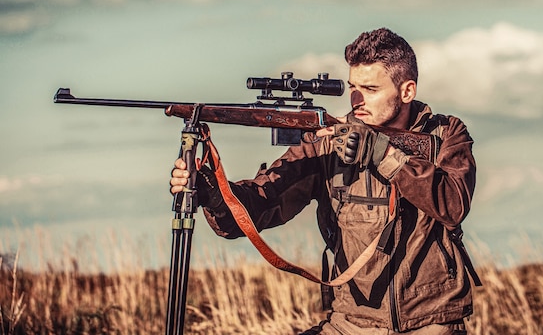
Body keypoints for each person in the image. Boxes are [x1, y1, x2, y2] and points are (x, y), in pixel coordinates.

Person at [170, 27, 480, 335]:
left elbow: (452, 204)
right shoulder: (327, 142)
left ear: (407, 91)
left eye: (371, 89)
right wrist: (211, 191)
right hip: (350, 324)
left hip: (431, 323)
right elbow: (259, 206)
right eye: (352, 87)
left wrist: (380, 153)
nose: (357, 99)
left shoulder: (445, 135)